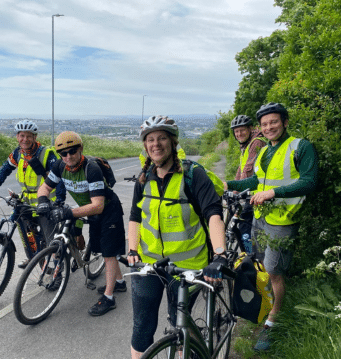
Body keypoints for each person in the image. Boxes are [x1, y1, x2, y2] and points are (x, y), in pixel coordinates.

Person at [128, 115, 228, 358]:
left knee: (180, 323)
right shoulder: (144, 178)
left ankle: (192, 350)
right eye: (150, 139)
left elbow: (213, 214)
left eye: (162, 138)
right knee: (142, 328)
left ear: (173, 143)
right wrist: (132, 250)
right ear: (145, 146)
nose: (156, 144)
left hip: (188, 267)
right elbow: (135, 217)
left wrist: (219, 255)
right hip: (149, 264)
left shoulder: (193, 175)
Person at [225, 103, 318, 351]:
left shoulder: (301, 147)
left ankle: (272, 323)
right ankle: (265, 306)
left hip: (283, 221)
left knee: (275, 272)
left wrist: (272, 193)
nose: (269, 127)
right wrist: (228, 184)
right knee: (263, 265)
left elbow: (309, 182)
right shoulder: (265, 151)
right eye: (265, 124)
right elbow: (257, 180)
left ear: (285, 122)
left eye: (274, 122)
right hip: (260, 218)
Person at [36, 131, 127, 316]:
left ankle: (109, 298)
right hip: (89, 209)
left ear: (81, 149)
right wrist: (43, 201)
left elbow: (98, 206)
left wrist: (68, 212)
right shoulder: (60, 166)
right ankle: (119, 282)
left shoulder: (91, 168)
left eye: (72, 151)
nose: (68, 156)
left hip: (108, 209)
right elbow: (45, 187)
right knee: (101, 248)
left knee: (109, 254)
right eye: (64, 153)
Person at [0, 119, 66, 268]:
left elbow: (59, 178)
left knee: (51, 240)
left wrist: (59, 201)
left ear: (35, 137)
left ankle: (57, 271)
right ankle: (34, 258)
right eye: (22, 135)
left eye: (29, 136)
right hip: (26, 203)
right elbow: (5, 169)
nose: (25, 139)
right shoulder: (18, 153)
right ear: (17, 136)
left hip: (45, 203)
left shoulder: (47, 154)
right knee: (26, 231)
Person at [230, 114, 267, 253]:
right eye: (236, 131)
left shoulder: (256, 142)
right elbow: (241, 170)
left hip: (256, 194)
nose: (239, 134)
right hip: (251, 193)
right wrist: (234, 189)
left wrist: (236, 191)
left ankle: (251, 257)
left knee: (245, 225)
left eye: (242, 130)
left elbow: (248, 171)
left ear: (250, 129)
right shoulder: (246, 145)